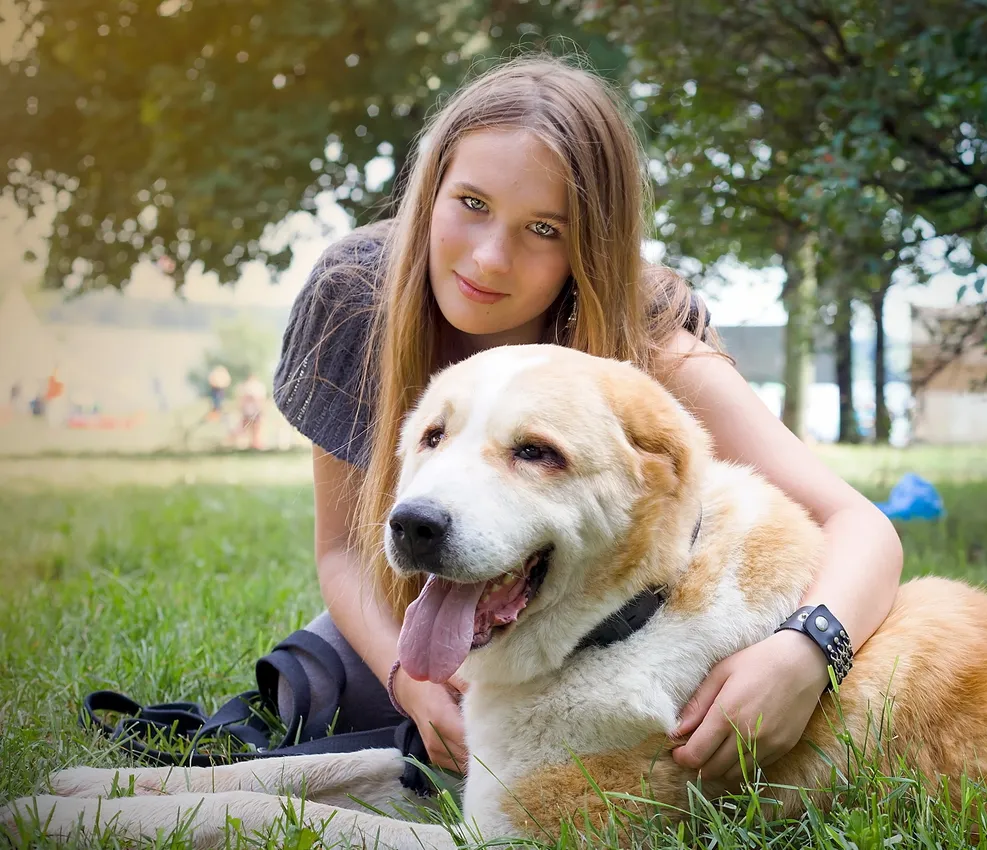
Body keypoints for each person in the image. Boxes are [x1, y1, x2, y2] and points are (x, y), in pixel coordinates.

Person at [270, 54, 904, 784]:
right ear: (430, 189)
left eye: (543, 228)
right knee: (305, 689)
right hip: (423, 606)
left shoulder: (651, 337)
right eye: (471, 203)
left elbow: (861, 526)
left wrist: (803, 653)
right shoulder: (359, 296)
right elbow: (345, 553)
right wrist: (405, 678)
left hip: (600, 637)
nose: (489, 258)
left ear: (590, 244)